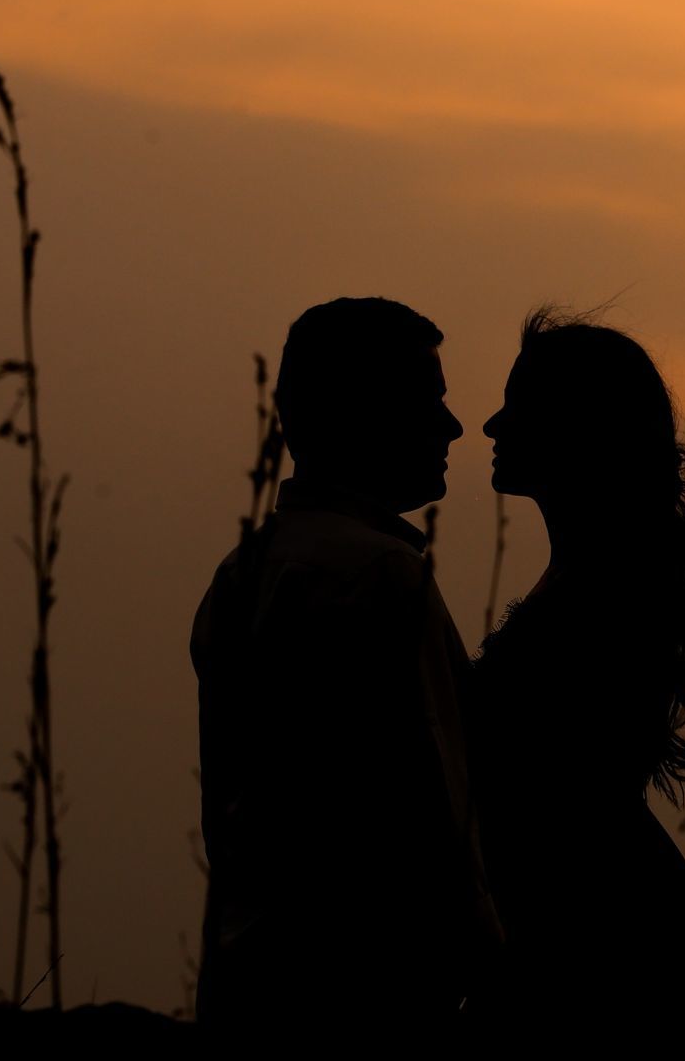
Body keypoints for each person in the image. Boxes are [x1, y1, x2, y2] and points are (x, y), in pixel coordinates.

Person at [471, 309, 685, 1056]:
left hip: (591, 932)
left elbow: (556, 795)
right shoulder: (596, 582)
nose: (491, 426)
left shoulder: (599, 597)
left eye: (518, 408)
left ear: (574, 426)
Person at [190, 297, 501, 1034]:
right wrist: (493, 965)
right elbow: (437, 803)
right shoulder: (383, 577)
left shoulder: (244, 574)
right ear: (368, 413)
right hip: (371, 996)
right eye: (429, 402)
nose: (452, 427)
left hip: (256, 983)